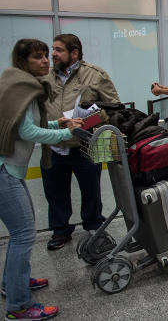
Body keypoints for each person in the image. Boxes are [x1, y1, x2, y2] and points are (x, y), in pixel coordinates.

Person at [0, 38, 84, 320]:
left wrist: (57, 123)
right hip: (4, 170)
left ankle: (13, 285)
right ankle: (18, 306)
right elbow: (27, 133)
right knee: (24, 235)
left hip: (8, 169)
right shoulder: (22, 86)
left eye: (47, 55)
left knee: (20, 234)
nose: (46, 61)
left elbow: (29, 125)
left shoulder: (22, 84)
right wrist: (65, 134)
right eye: (38, 57)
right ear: (23, 61)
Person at [42, 34, 120, 251]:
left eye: (58, 50)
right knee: (55, 191)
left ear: (74, 53)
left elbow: (114, 108)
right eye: (53, 49)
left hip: (84, 145)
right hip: (53, 146)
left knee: (91, 190)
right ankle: (60, 230)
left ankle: (94, 224)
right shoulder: (45, 78)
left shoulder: (95, 75)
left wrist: (88, 121)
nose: (53, 54)